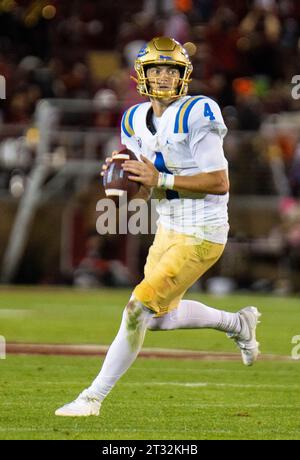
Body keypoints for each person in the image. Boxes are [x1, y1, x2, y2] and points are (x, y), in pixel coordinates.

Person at [55, 37, 261, 417]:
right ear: (142, 74)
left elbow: (219, 181)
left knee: (136, 310)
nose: (164, 77)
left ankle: (92, 398)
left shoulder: (199, 111)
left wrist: (159, 180)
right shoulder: (132, 119)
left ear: (184, 75)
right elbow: (141, 191)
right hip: (168, 225)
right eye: (156, 69)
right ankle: (237, 323)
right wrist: (120, 185)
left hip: (202, 231)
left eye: (172, 70)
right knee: (160, 319)